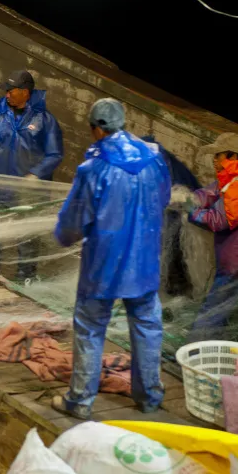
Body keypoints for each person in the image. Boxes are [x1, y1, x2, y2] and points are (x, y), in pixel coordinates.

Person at [51, 98, 171, 419]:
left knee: (90, 328)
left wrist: (62, 236)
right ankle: (149, 398)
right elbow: (164, 199)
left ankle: (80, 401)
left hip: (103, 264)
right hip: (143, 261)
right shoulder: (154, 159)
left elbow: (75, 220)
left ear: (96, 129)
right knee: (147, 324)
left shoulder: (95, 168)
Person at [0, 69, 63, 281]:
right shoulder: (0, 112)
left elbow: (54, 154)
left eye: (11, 91)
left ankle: (26, 277)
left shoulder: (45, 121)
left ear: (25, 92)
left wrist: (35, 175)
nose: (7, 95)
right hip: (1, 186)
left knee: (27, 237)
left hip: (30, 193)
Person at [187, 132, 238, 337]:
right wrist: (188, 197)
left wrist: (192, 211)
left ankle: (193, 350)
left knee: (214, 309)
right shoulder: (233, 177)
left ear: (232, 156)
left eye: (218, 155)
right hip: (231, 258)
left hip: (237, 261)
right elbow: (211, 193)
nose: (214, 160)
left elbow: (219, 220)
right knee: (220, 308)